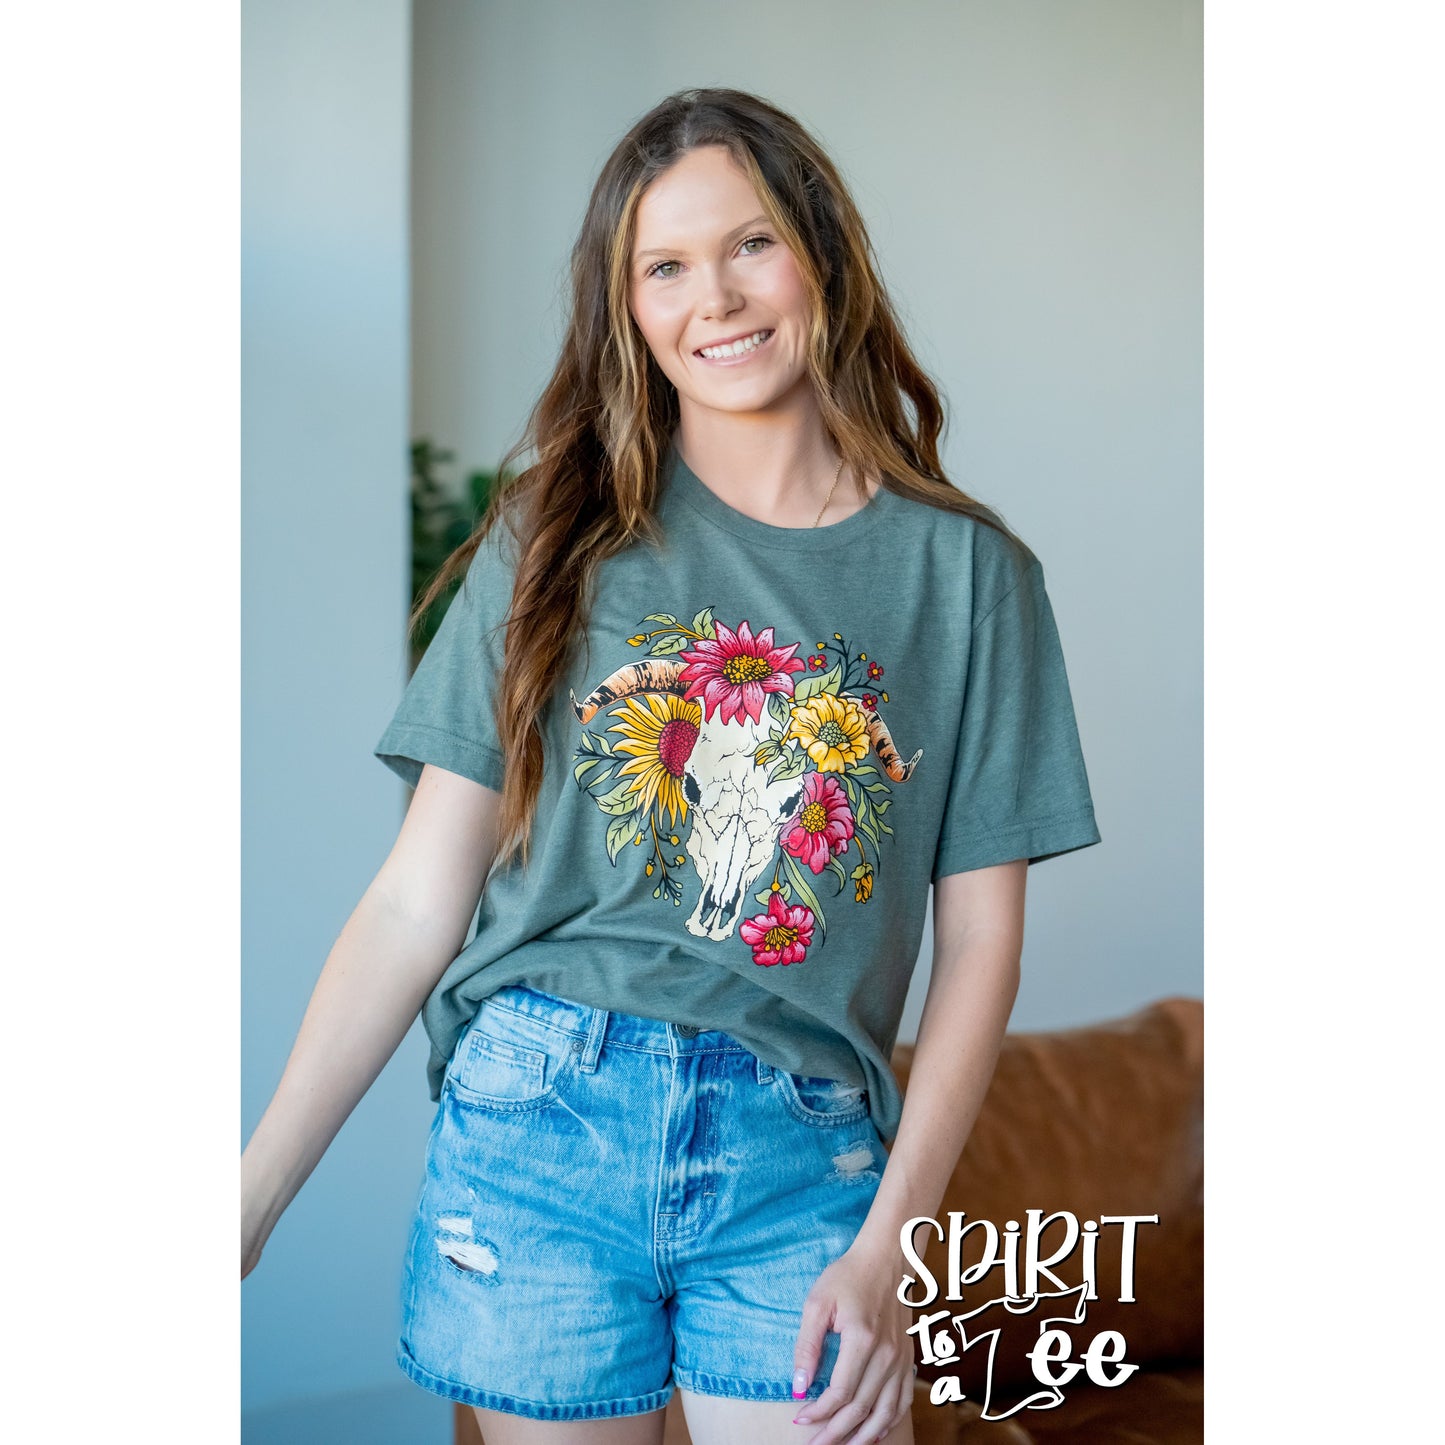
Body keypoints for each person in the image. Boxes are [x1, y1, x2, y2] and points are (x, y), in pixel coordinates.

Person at [241, 86, 1101, 1445]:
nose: (717, 298)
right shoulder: (551, 538)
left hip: (799, 1149)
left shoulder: (968, 576)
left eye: (752, 244)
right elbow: (416, 898)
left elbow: (981, 943)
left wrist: (893, 1243)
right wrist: (249, 1197)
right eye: (666, 267)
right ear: (628, 307)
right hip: (538, 1121)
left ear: (822, 256)